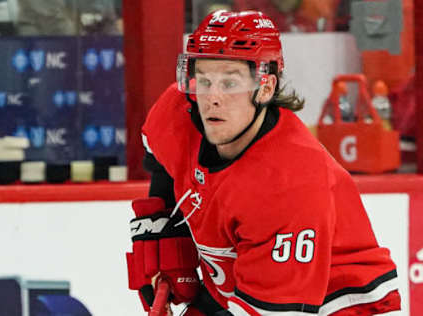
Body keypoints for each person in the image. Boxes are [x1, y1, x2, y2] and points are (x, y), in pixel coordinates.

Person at [126, 10, 401, 316]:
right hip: (249, 289)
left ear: (266, 88)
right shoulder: (179, 111)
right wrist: (164, 227)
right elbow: (161, 159)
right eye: (203, 80)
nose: (212, 97)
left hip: (344, 305)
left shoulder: (290, 181)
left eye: (230, 84)